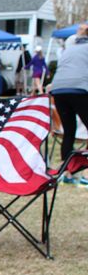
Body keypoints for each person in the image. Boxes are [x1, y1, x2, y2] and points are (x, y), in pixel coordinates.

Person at [48, 24, 88, 184]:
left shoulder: (69, 49)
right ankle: (86, 175)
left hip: (59, 90)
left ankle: (68, 173)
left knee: (69, 132)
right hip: (79, 89)